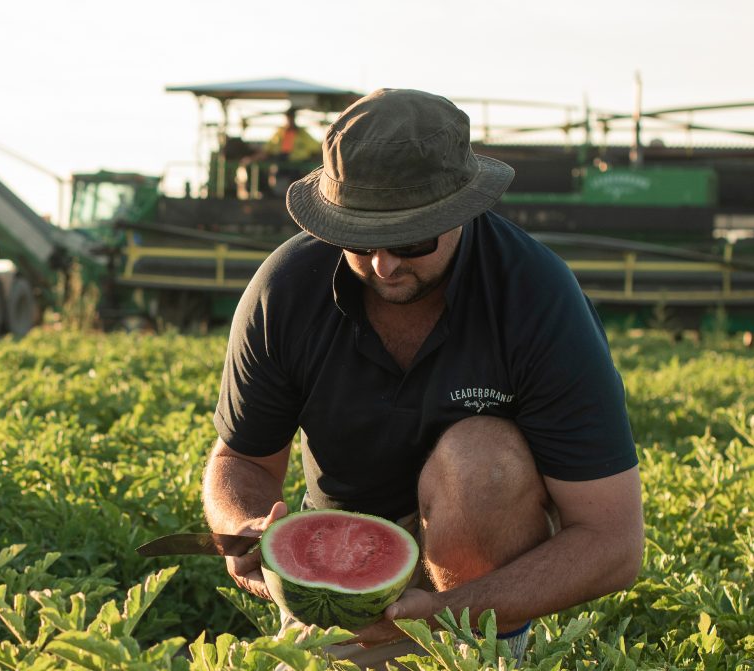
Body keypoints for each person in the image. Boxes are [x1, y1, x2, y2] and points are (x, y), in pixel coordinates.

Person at [203, 89, 643, 667]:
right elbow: (239, 461)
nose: (384, 265)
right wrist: (243, 524)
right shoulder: (285, 290)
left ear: (461, 209)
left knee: (481, 454)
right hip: (342, 560)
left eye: (411, 238)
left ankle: (490, 655)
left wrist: (450, 611)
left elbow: (612, 542)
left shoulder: (536, 296)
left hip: (483, 579)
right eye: (359, 238)